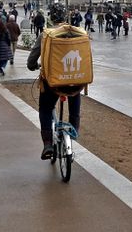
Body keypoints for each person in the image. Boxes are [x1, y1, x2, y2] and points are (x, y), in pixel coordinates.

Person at [27, 21, 83, 160]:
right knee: (74, 93)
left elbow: (31, 61)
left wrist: (33, 66)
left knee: (45, 108)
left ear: (50, 20)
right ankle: (74, 128)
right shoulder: (77, 34)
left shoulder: (46, 35)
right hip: (74, 81)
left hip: (54, 83)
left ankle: (47, 144)